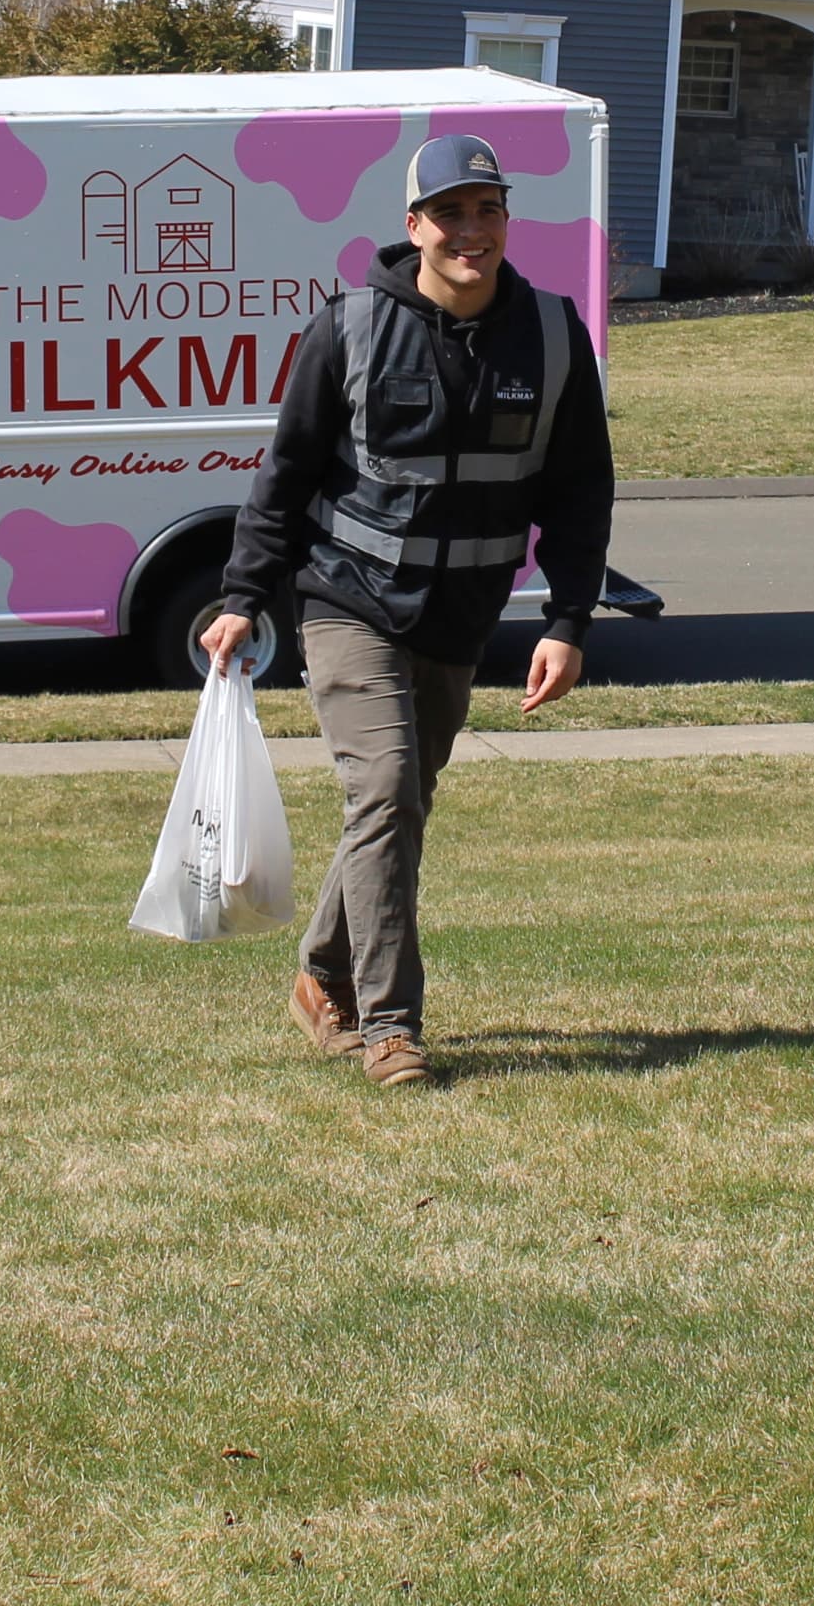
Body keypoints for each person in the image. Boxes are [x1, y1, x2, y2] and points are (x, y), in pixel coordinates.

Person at [204, 132, 614, 1088]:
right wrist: (241, 597)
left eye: (489, 210)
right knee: (385, 789)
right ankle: (390, 1025)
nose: (472, 230)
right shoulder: (347, 327)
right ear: (414, 225)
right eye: (452, 213)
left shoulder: (553, 334)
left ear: (506, 220)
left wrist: (568, 621)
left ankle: (318, 976)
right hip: (347, 600)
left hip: (461, 616)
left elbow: (581, 490)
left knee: (398, 808)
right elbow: (285, 474)